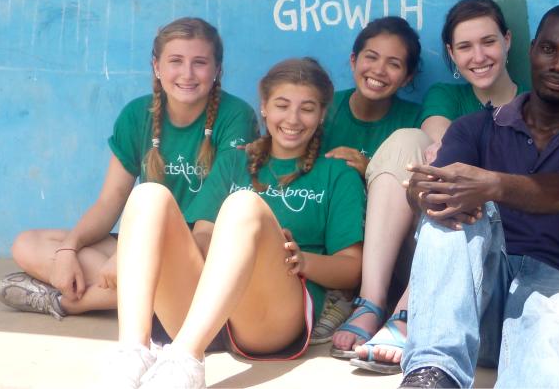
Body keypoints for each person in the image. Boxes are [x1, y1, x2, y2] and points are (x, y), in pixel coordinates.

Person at [399, 2, 559, 388]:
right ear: (531, 50)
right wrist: (422, 193)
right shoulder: (474, 128)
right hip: (479, 307)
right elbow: (441, 189)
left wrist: (491, 185)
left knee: (544, 337)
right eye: (549, 50)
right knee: (446, 216)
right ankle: (432, 374)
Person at [105, 57, 365, 389]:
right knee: (148, 195)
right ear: (265, 108)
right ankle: (133, 351)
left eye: (307, 109)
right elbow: (201, 237)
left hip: (270, 319)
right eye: (282, 105)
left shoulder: (336, 174)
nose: (293, 119)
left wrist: (302, 260)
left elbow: (352, 269)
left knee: (244, 205)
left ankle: (185, 358)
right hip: (206, 311)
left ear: (322, 114)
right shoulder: (234, 161)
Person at [0, 18, 256, 319]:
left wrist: (126, 259)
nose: (187, 74)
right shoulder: (137, 115)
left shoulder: (237, 117)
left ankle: (68, 302)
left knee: (179, 275)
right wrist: (68, 251)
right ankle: (151, 298)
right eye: (176, 61)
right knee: (28, 244)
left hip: (203, 252)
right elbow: (110, 201)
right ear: (157, 67)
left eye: (199, 62)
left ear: (217, 70)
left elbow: (205, 233)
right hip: (145, 245)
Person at [347, 0, 526, 374]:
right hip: (424, 232)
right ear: (451, 52)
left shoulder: (531, 104)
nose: (478, 56)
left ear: (508, 41)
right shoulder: (446, 95)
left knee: (468, 183)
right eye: (464, 47)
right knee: (410, 145)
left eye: (488, 42)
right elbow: (441, 145)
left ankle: (410, 313)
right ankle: (371, 302)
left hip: (491, 251)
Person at [316, 16, 424, 356]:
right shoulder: (323, 110)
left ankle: (385, 307)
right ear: (353, 60)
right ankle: (347, 300)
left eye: (394, 64)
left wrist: (370, 172)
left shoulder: (414, 119)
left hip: (399, 256)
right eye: (371, 57)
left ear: (408, 77)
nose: (378, 70)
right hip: (337, 247)